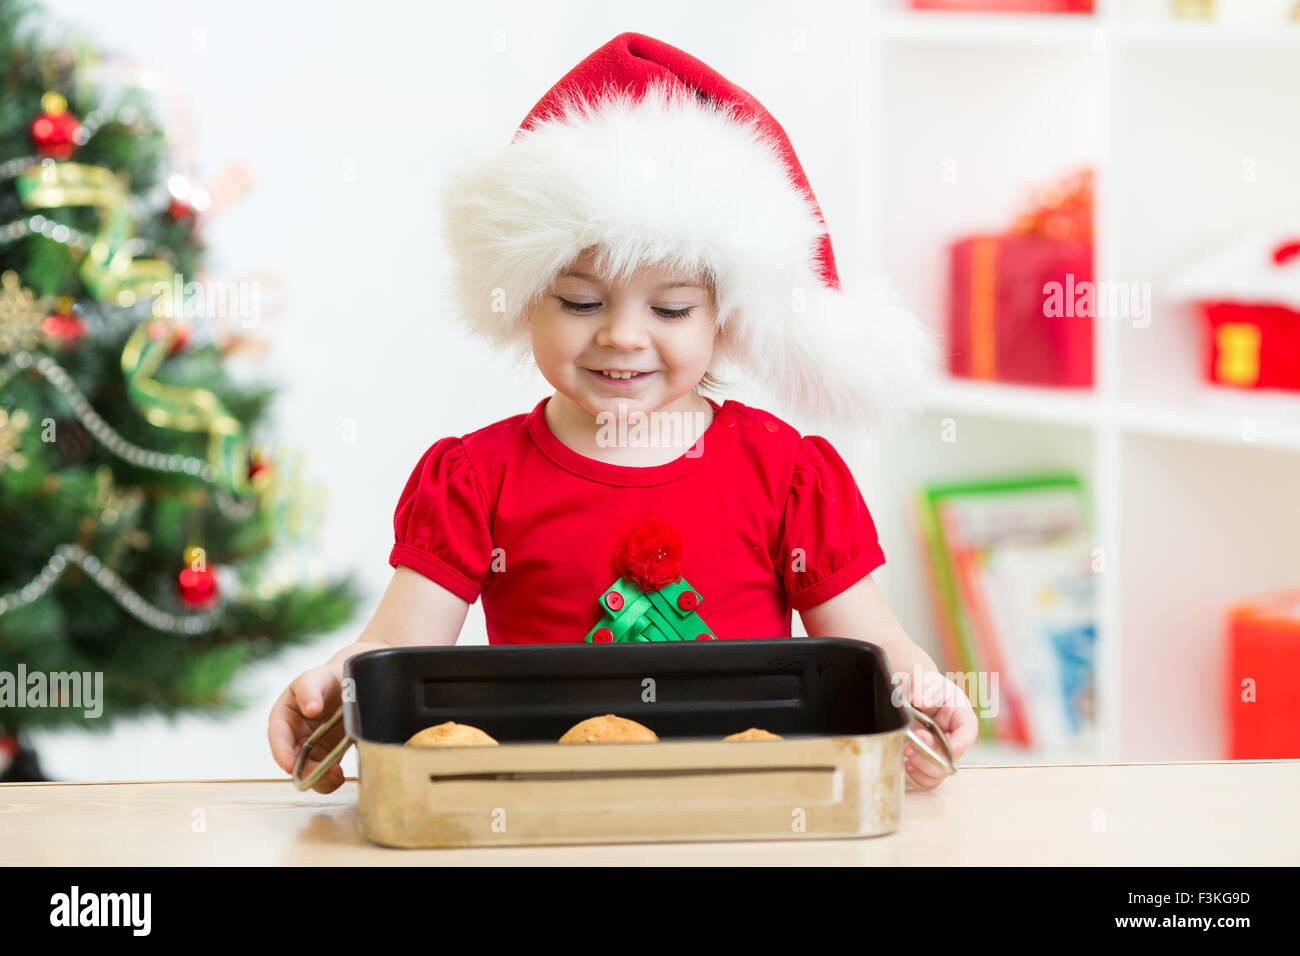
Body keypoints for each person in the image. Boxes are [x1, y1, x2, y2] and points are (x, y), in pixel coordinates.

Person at [269, 32, 978, 795]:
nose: (622, 336)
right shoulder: (474, 479)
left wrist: (924, 697)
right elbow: (394, 655)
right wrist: (333, 691)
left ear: (723, 318)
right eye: (579, 301)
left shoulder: (786, 476)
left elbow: (877, 650)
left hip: (751, 810)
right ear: (524, 298)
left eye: (671, 307)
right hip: (541, 814)